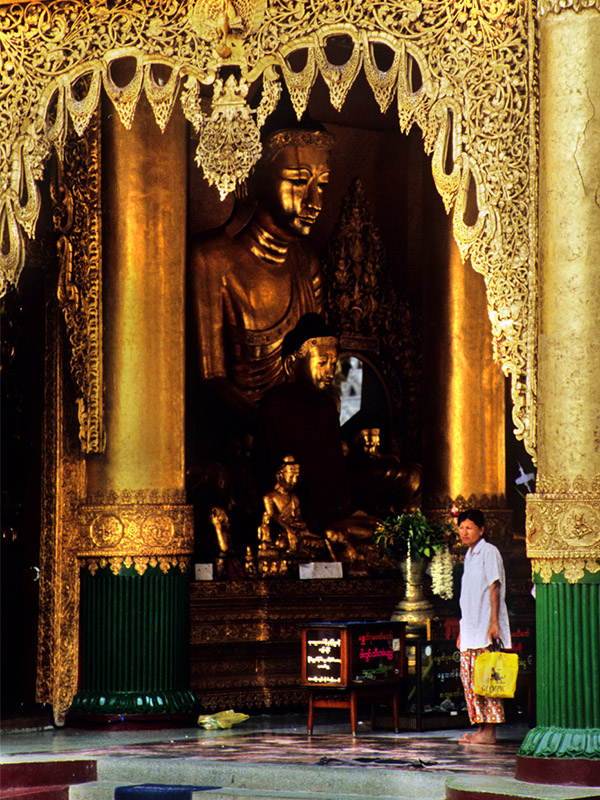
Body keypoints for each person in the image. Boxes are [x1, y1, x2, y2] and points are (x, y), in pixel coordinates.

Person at [188, 125, 334, 426]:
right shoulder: (212, 259)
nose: (314, 203)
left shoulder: (307, 263)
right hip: (245, 437)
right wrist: (272, 427)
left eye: (321, 186)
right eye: (298, 182)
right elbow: (212, 377)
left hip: (299, 432)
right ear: (255, 179)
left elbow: (323, 365)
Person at [457, 508, 511, 745]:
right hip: (469, 628)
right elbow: (467, 597)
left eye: (469, 527)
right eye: (461, 527)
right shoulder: (469, 555)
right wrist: (461, 629)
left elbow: (494, 587)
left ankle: (489, 731)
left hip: (484, 627)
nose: (464, 532)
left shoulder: (489, 551)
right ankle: (480, 728)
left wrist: (493, 623)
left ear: (481, 529)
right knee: (470, 678)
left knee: (487, 678)